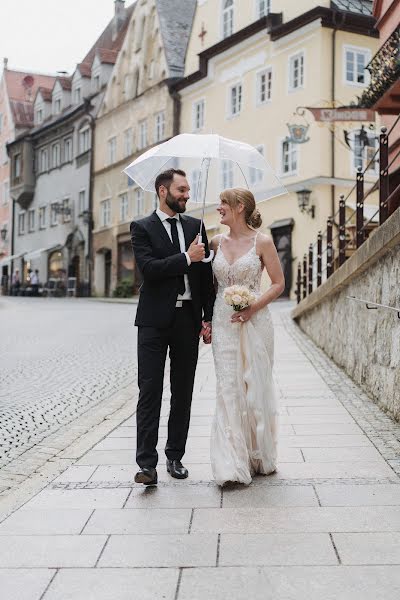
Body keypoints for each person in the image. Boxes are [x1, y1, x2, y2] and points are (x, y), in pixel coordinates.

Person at [130, 168, 215, 486]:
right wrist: (186, 257)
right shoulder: (142, 227)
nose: (187, 195)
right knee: (149, 390)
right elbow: (149, 270)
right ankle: (146, 464)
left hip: (187, 319)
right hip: (153, 321)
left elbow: (205, 278)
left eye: (188, 190)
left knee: (183, 391)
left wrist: (208, 317)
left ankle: (175, 456)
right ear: (163, 191)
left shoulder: (197, 226)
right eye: (181, 190)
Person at [209, 188, 285, 486]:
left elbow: (278, 284)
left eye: (223, 203)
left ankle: (257, 454)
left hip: (256, 322)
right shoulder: (214, 242)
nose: (219, 208)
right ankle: (232, 462)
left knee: (254, 386)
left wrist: (253, 306)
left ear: (239, 207)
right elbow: (207, 288)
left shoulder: (262, 242)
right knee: (228, 386)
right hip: (223, 321)